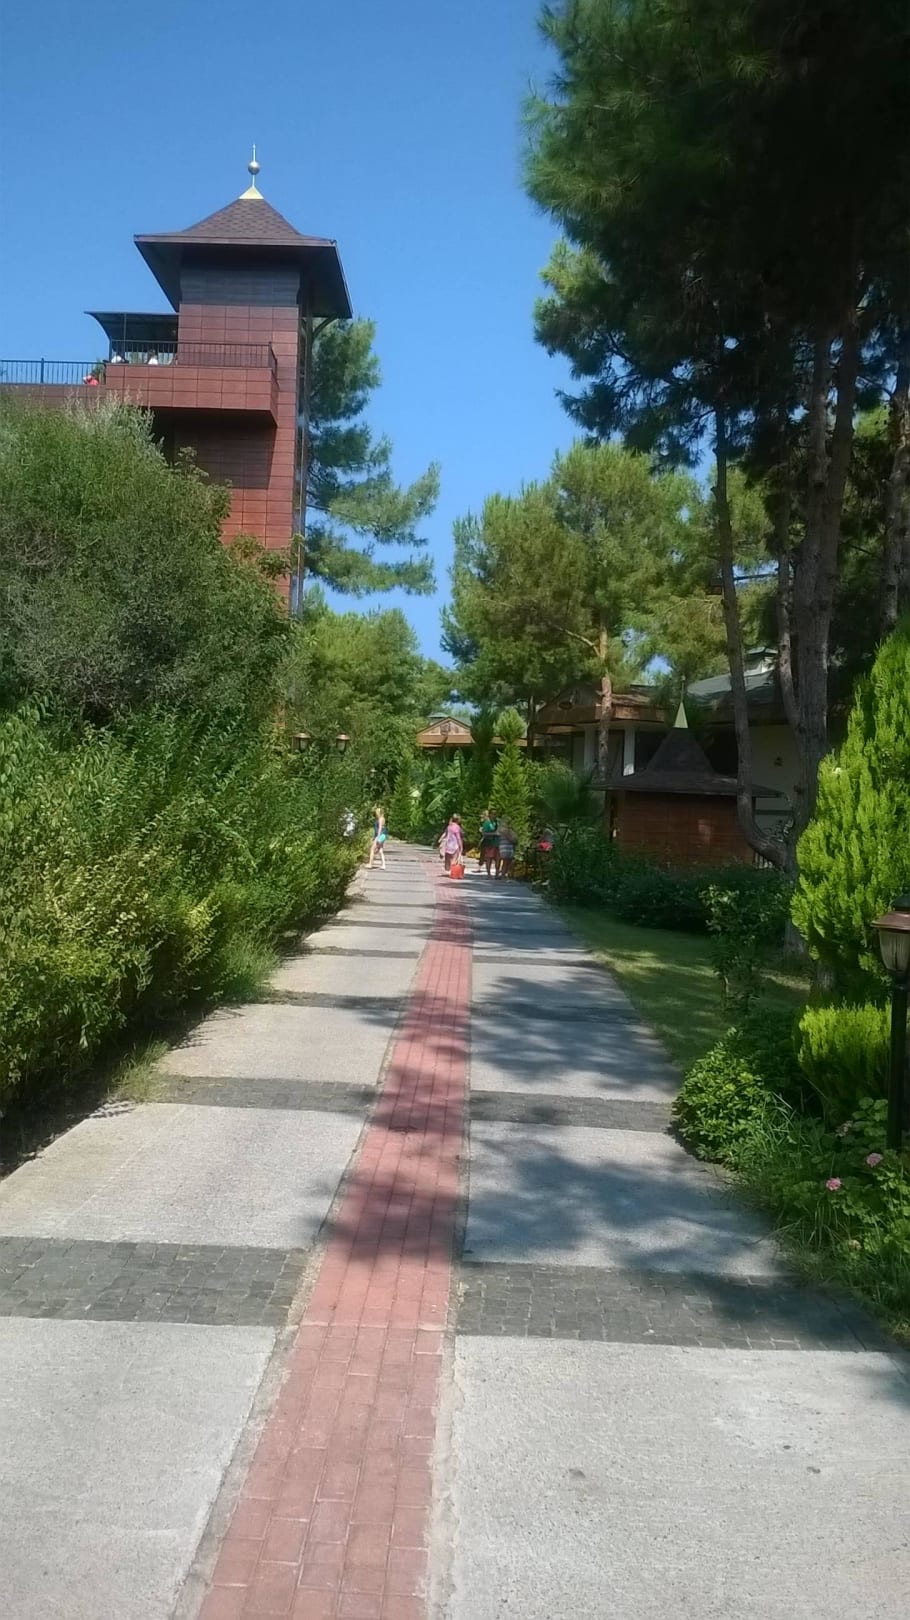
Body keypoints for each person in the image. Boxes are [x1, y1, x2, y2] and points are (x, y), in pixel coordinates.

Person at [479, 810, 500, 877]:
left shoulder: (497, 822)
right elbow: (484, 833)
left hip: (497, 843)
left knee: (498, 858)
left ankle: (497, 874)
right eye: (493, 814)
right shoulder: (487, 823)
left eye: (495, 814)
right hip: (489, 843)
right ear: (490, 814)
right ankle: (488, 874)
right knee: (489, 858)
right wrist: (494, 833)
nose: (494, 815)